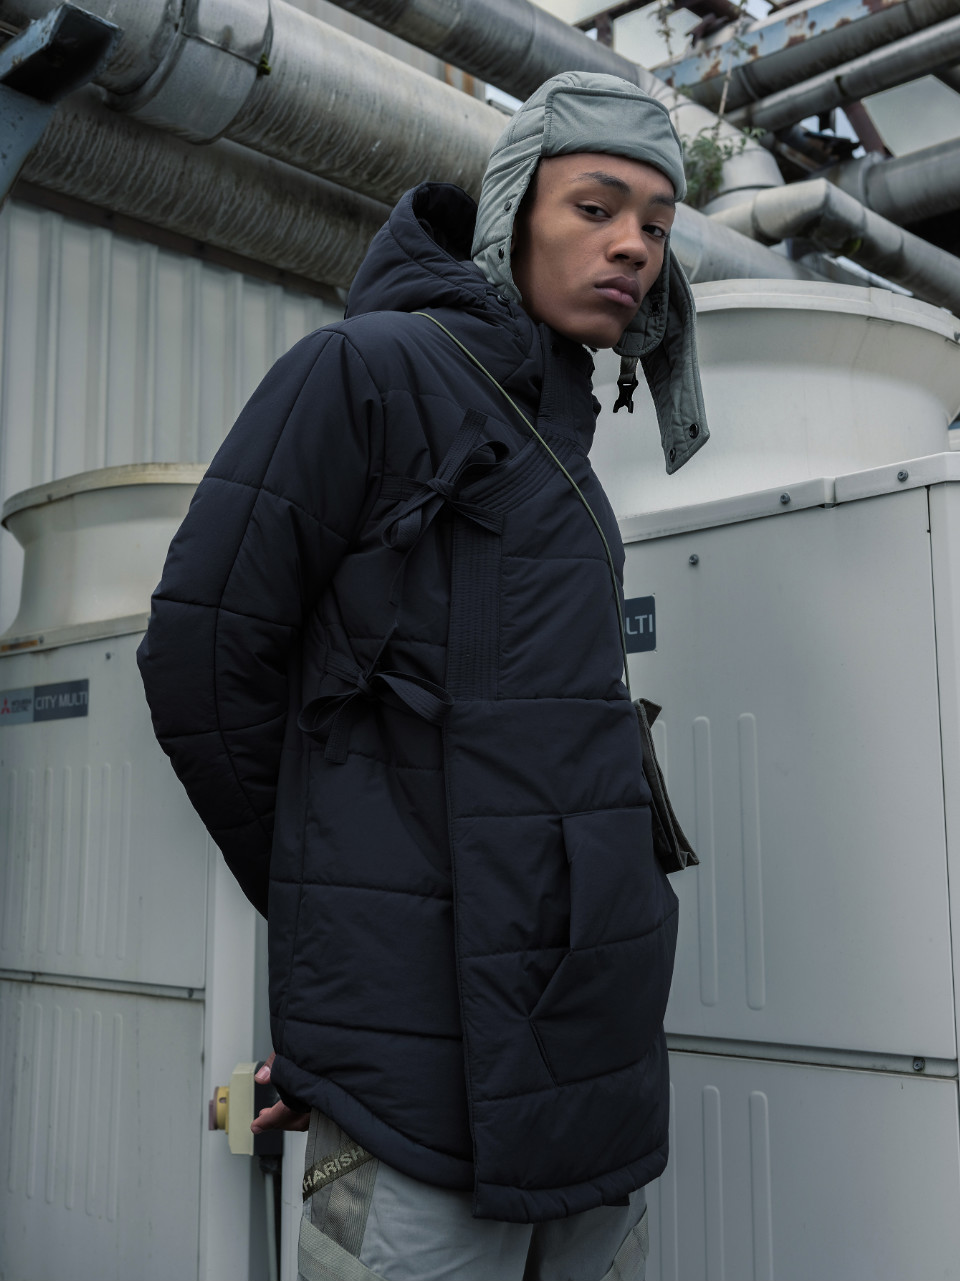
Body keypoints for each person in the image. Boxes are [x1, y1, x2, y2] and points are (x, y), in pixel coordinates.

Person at [138, 70, 708, 1281]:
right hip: (423, 1075)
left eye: (657, 225)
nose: (633, 246)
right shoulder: (371, 372)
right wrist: (345, 924)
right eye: (596, 207)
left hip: (589, 1053)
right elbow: (201, 656)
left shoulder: (562, 443)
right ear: (511, 215)